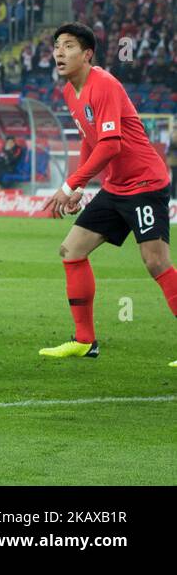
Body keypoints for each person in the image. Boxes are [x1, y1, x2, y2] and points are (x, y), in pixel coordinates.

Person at [38, 23, 175, 366]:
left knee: (156, 262)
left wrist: (68, 185)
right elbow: (90, 139)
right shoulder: (71, 92)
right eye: (57, 46)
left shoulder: (105, 85)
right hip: (115, 188)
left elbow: (111, 145)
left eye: (68, 46)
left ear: (87, 54)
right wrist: (81, 186)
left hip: (145, 184)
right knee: (71, 250)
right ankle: (85, 341)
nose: (59, 52)